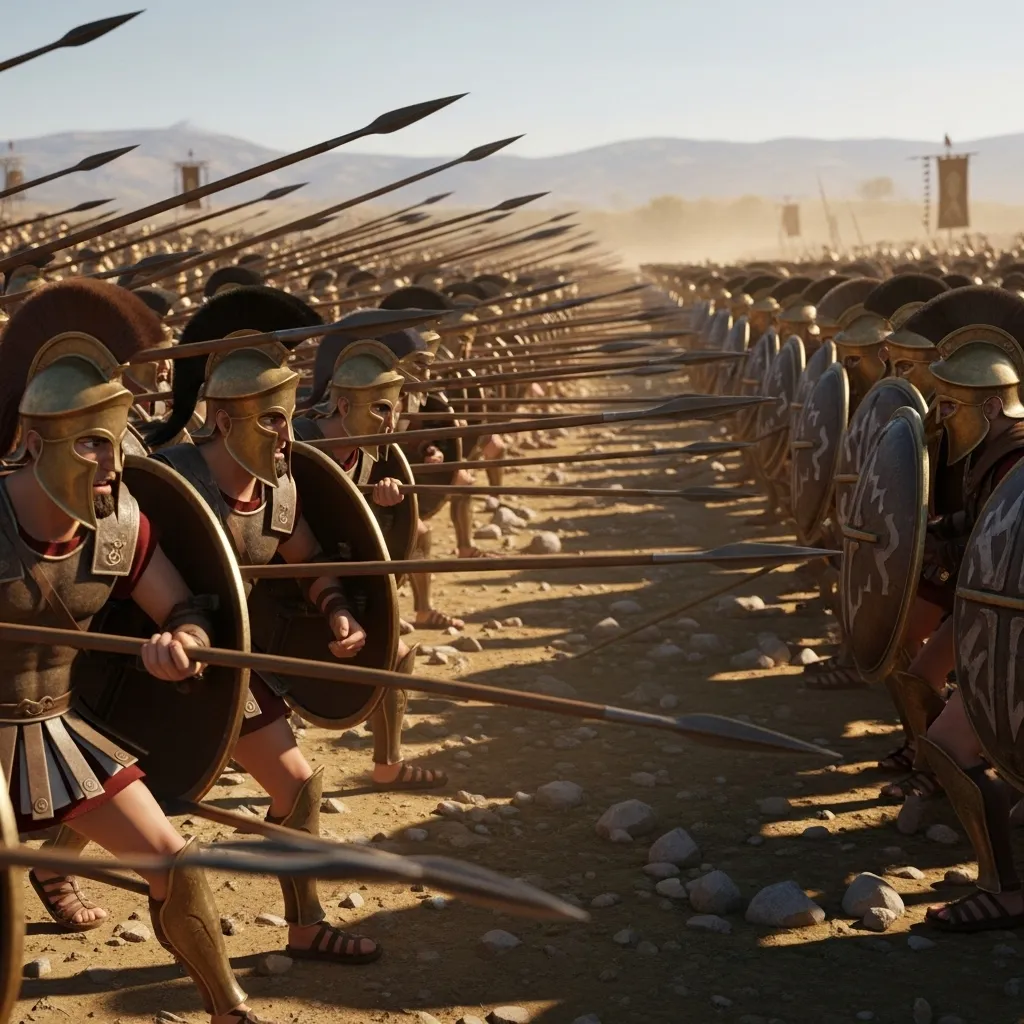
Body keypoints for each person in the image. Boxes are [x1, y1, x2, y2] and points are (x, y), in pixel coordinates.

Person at [5, 280, 267, 1023]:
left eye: (114, 442)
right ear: (35, 443)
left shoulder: (120, 527)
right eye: (89, 442)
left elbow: (185, 608)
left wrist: (183, 642)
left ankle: (228, 1009)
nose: (109, 464)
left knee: (174, 862)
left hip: (56, 730)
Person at [294, 331, 448, 790]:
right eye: (380, 408)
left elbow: (356, 537)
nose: (390, 421)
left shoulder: (366, 456)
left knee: (396, 655)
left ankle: (387, 765)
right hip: (281, 583)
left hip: (329, 582)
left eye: (394, 409)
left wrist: (382, 508)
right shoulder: (295, 444)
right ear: (343, 406)